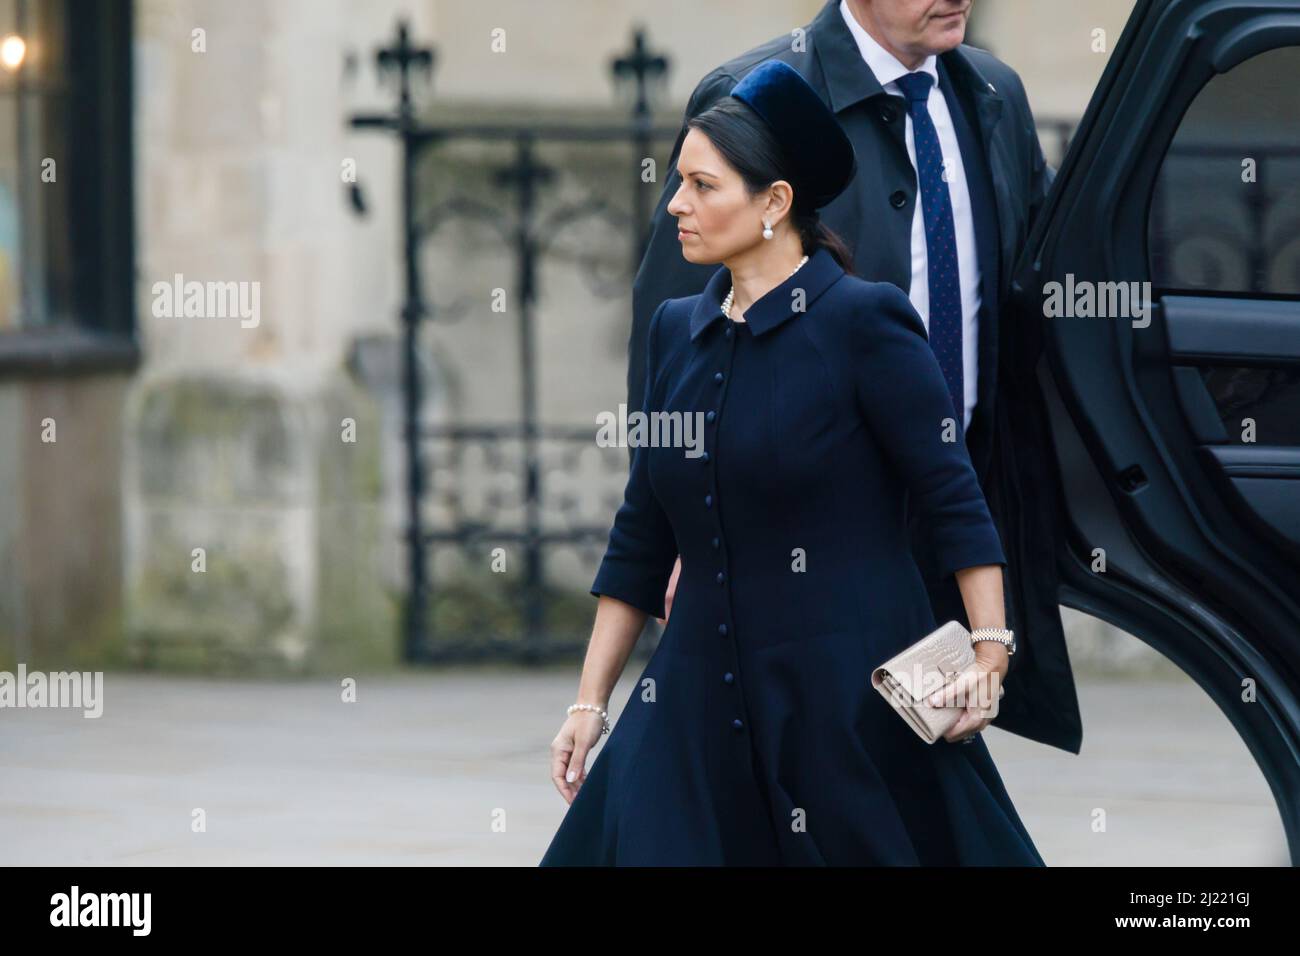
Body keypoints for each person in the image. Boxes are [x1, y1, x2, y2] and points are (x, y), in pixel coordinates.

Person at [540, 58, 1043, 865]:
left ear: (775, 203)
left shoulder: (864, 323)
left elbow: (953, 497)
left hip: (845, 698)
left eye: (704, 186)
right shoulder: (678, 328)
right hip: (693, 695)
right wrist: (590, 704)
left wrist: (990, 652)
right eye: (679, 182)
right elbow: (642, 533)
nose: (677, 204)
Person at [628, 0, 1082, 757]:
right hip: (791, 532)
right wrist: (678, 534)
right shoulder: (757, 93)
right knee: (779, 769)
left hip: (943, 508)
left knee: (917, 773)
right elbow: (674, 334)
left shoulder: (993, 95)